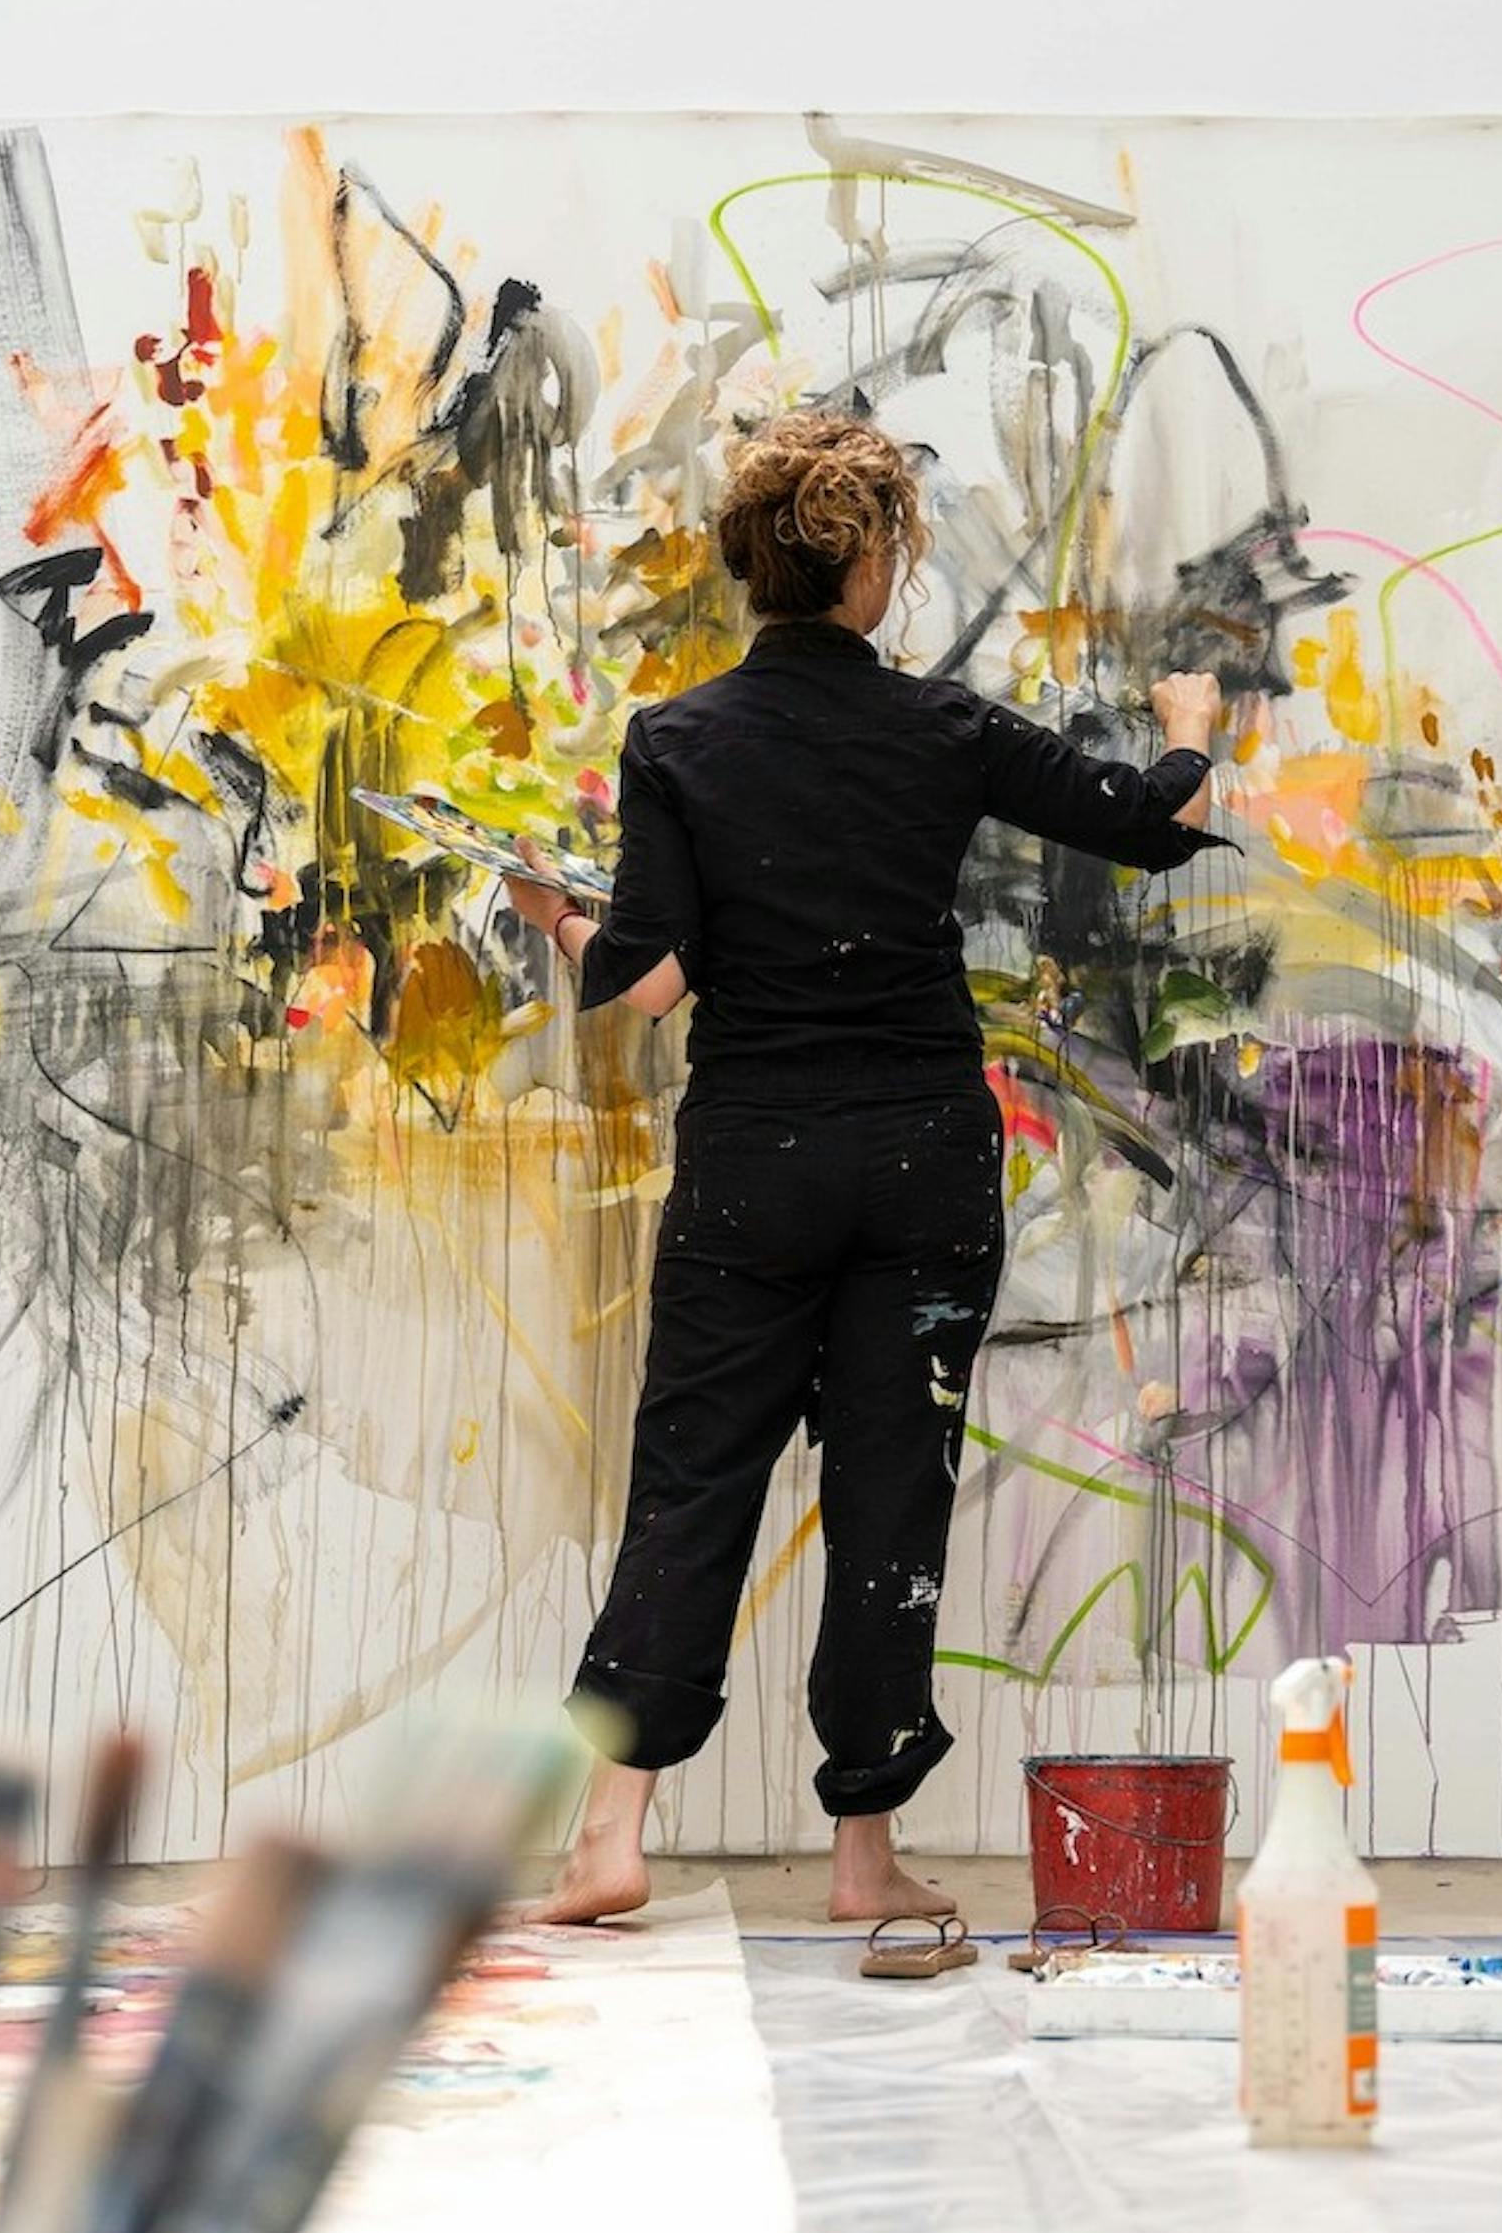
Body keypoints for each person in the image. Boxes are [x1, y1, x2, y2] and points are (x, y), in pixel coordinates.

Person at [504, 410, 1229, 1926]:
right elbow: (1152, 824)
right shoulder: (942, 728)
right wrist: (1190, 727)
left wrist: (551, 914)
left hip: (750, 1167)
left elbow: (650, 984)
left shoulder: (678, 741)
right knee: (892, 1496)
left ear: (755, 567)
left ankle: (610, 1836)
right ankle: (863, 1856)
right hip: (919, 1161)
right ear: (873, 565)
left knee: (691, 1482)